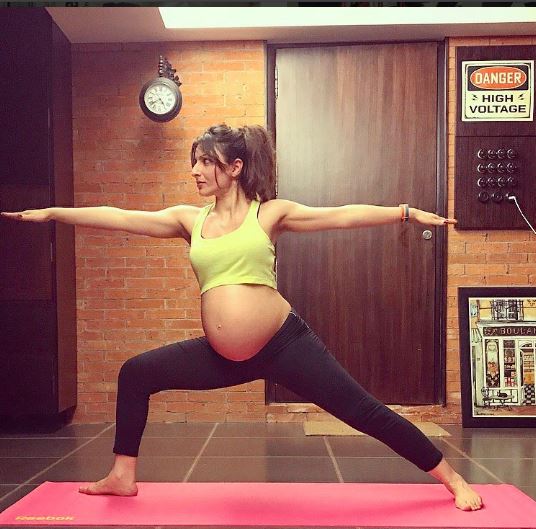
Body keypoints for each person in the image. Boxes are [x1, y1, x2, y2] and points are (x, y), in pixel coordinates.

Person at [1, 123, 483, 511]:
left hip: (284, 345)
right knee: (136, 373)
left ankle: (452, 478)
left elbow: (341, 215)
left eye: (205, 162)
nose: (195, 170)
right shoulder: (189, 220)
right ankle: (122, 476)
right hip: (223, 355)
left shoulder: (268, 214)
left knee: (363, 411)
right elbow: (121, 216)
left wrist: (405, 213)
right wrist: (54, 212)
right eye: (194, 161)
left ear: (234, 167)